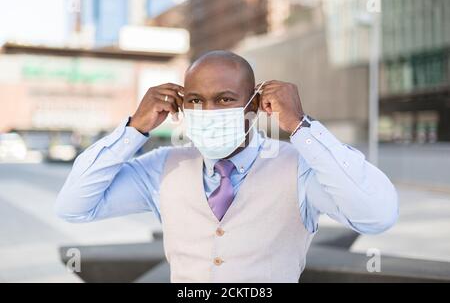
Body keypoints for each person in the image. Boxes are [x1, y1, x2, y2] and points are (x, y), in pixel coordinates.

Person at [55, 50, 398, 283]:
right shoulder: (163, 167)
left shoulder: (299, 167)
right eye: (195, 100)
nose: (207, 112)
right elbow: (74, 207)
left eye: (224, 99)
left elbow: (376, 214)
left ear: (255, 103)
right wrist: (135, 128)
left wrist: (301, 126)